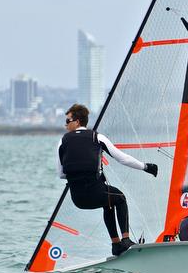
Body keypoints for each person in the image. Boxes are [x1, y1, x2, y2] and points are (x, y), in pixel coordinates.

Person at [57, 104, 158, 256]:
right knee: (120, 198)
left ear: (77, 121)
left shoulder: (62, 142)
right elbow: (122, 158)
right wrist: (145, 167)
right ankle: (125, 240)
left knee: (109, 202)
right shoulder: (97, 137)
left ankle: (116, 244)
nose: (65, 125)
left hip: (78, 199)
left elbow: (61, 174)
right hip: (96, 194)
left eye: (67, 121)